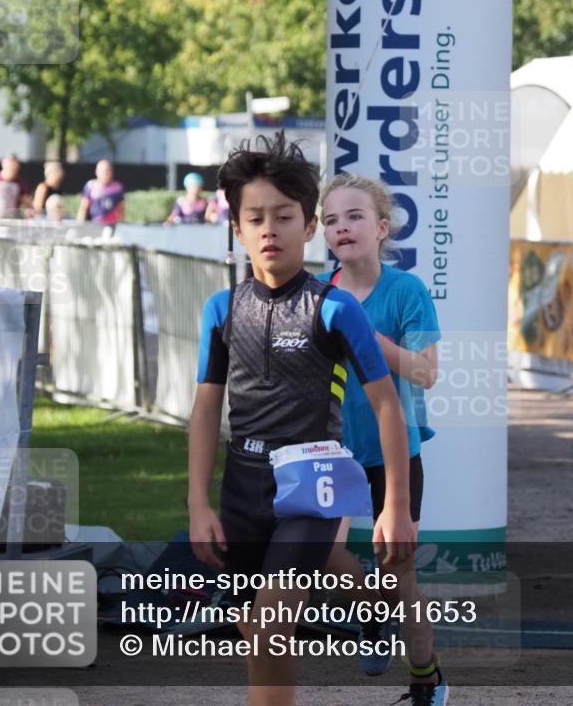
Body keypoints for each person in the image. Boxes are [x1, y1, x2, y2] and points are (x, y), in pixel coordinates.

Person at [188, 133, 415, 706]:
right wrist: (197, 502)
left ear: (308, 227)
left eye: (284, 216)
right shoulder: (221, 310)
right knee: (257, 631)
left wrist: (395, 507)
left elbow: (389, 402)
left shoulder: (336, 308)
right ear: (236, 229)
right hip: (242, 488)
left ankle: (376, 616)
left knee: (268, 627)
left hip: (314, 488)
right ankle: (371, 608)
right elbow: (206, 407)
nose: (270, 229)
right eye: (255, 217)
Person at [317, 174, 447, 706]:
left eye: (353, 216)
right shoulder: (319, 295)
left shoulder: (407, 291)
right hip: (333, 450)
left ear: (381, 227)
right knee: (323, 554)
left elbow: (424, 373)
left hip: (395, 452)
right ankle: (372, 610)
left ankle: (426, 678)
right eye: (330, 220)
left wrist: (369, 339)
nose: (341, 227)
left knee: (401, 575)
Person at [77, 159, 125, 225]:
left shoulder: (117, 187)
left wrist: (121, 225)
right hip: (94, 224)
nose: (106, 173)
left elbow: (121, 209)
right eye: (103, 171)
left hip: (112, 225)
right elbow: (83, 209)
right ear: (97, 172)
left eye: (108, 170)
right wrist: (80, 225)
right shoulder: (90, 186)